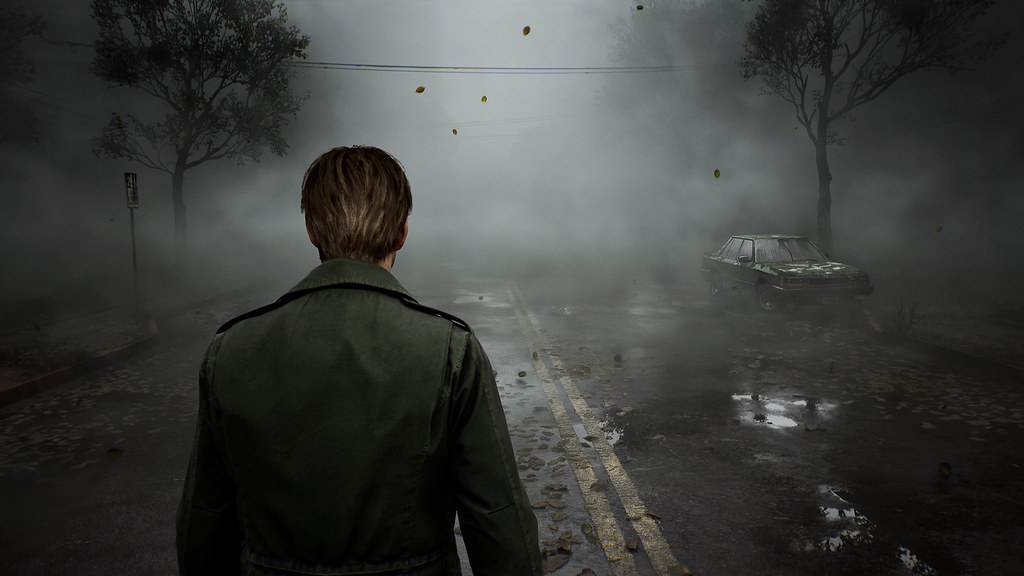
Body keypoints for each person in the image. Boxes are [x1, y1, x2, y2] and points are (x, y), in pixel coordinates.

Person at [176, 146, 542, 575]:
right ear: (403, 232)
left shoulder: (232, 349)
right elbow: (499, 524)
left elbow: (203, 525)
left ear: (311, 230)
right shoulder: (449, 348)